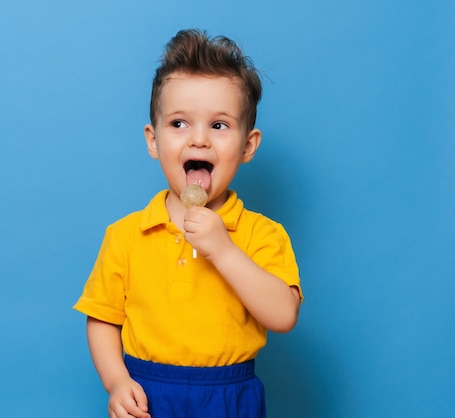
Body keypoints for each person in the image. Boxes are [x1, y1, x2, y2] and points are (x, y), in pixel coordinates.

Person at [73, 28, 303, 418]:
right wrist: (116, 382)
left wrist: (224, 250)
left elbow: (283, 315)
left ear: (247, 145)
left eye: (219, 125)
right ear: (153, 140)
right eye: (179, 123)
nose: (199, 140)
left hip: (229, 396)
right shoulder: (125, 235)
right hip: (148, 394)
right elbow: (102, 320)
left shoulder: (261, 234)